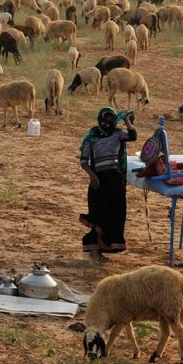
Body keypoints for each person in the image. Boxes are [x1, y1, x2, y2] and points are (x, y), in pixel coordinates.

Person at [79, 107, 136, 261]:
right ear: (101, 119)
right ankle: (94, 251)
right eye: (107, 119)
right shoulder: (92, 136)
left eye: (112, 119)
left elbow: (132, 136)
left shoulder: (118, 134)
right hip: (99, 180)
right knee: (99, 213)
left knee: (115, 214)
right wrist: (92, 176)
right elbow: (83, 161)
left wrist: (127, 121)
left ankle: (104, 249)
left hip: (115, 180)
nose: (109, 122)